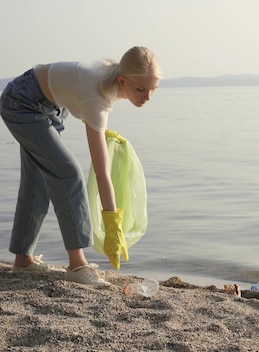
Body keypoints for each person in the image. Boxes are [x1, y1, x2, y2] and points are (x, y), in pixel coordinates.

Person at [0, 46, 161, 285]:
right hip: (21, 102)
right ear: (122, 80)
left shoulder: (108, 82)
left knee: (38, 181)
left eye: (152, 89)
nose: (147, 96)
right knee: (68, 173)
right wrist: (112, 222)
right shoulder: (97, 97)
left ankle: (23, 261)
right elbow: (101, 171)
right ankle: (77, 265)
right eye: (140, 89)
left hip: (50, 108)